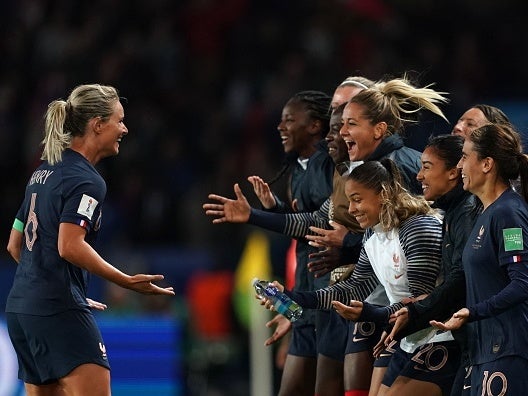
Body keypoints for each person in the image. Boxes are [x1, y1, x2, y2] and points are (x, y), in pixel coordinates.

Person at [5, 84, 175, 396]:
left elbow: (15, 245)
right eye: (119, 121)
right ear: (97, 124)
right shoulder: (87, 180)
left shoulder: (41, 172)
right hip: (57, 311)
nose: (124, 128)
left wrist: (64, 286)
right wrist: (125, 281)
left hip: (22, 309)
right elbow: (69, 245)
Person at [267, 159, 460, 395]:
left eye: (357, 200)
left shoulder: (418, 228)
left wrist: (371, 314)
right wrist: (293, 297)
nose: (351, 209)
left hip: (443, 337)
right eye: (349, 201)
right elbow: (353, 288)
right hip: (408, 339)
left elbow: (423, 302)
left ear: (384, 194)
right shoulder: (372, 234)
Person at [208, 90, 334, 395]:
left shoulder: (329, 167)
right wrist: (276, 209)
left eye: (290, 120)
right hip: (305, 303)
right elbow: (304, 233)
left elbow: (320, 226)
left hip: (329, 304)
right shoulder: (299, 171)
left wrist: (254, 216)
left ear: (316, 125)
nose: (280, 127)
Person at [431, 123, 528, 395]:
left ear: (486, 164)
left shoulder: (509, 214)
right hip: (482, 351)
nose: (460, 165)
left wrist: (471, 312)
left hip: (507, 351)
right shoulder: (486, 213)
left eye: (464, 156)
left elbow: (522, 283)